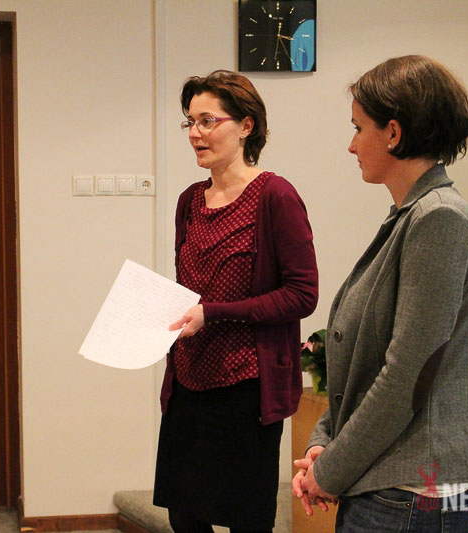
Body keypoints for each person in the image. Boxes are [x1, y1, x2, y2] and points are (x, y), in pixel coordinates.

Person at [292, 55, 468, 532]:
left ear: (394, 134)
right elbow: (366, 357)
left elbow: (406, 374)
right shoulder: (411, 215)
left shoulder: (439, 218)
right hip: (389, 480)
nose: (352, 145)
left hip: (414, 488)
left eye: (359, 128)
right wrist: (324, 442)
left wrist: (330, 470)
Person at [153, 70, 319, 532]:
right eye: (189, 122)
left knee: (247, 522)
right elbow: (193, 287)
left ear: (246, 125)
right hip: (188, 384)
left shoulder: (275, 196)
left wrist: (214, 314)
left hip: (246, 390)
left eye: (207, 121)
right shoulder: (190, 201)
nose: (195, 133)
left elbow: (302, 294)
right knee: (185, 519)